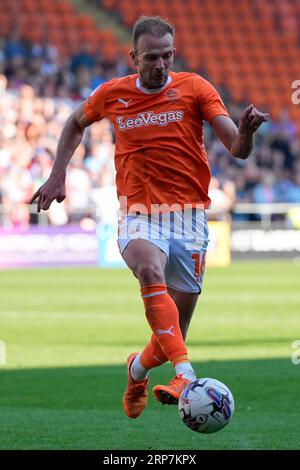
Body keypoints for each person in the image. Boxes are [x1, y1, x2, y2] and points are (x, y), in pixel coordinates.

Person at [30, 16, 269, 419]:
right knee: (147, 269)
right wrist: (58, 173)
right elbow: (75, 122)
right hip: (141, 213)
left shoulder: (195, 88)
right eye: (152, 57)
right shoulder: (113, 94)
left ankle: (137, 369)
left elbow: (236, 148)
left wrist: (246, 132)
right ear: (134, 57)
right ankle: (186, 373)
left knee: (171, 326)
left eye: (167, 56)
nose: (160, 65)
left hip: (190, 218)